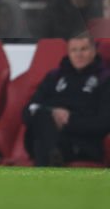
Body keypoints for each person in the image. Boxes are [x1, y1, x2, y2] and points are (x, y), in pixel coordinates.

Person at [24, 33, 110, 166]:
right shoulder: (53, 77)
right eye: (74, 50)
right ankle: (52, 158)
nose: (78, 55)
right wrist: (53, 113)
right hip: (47, 134)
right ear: (68, 52)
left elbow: (104, 122)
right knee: (41, 118)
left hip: (82, 142)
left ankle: (47, 169)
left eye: (84, 49)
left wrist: (68, 120)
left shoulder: (105, 79)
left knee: (43, 144)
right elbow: (27, 111)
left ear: (94, 51)